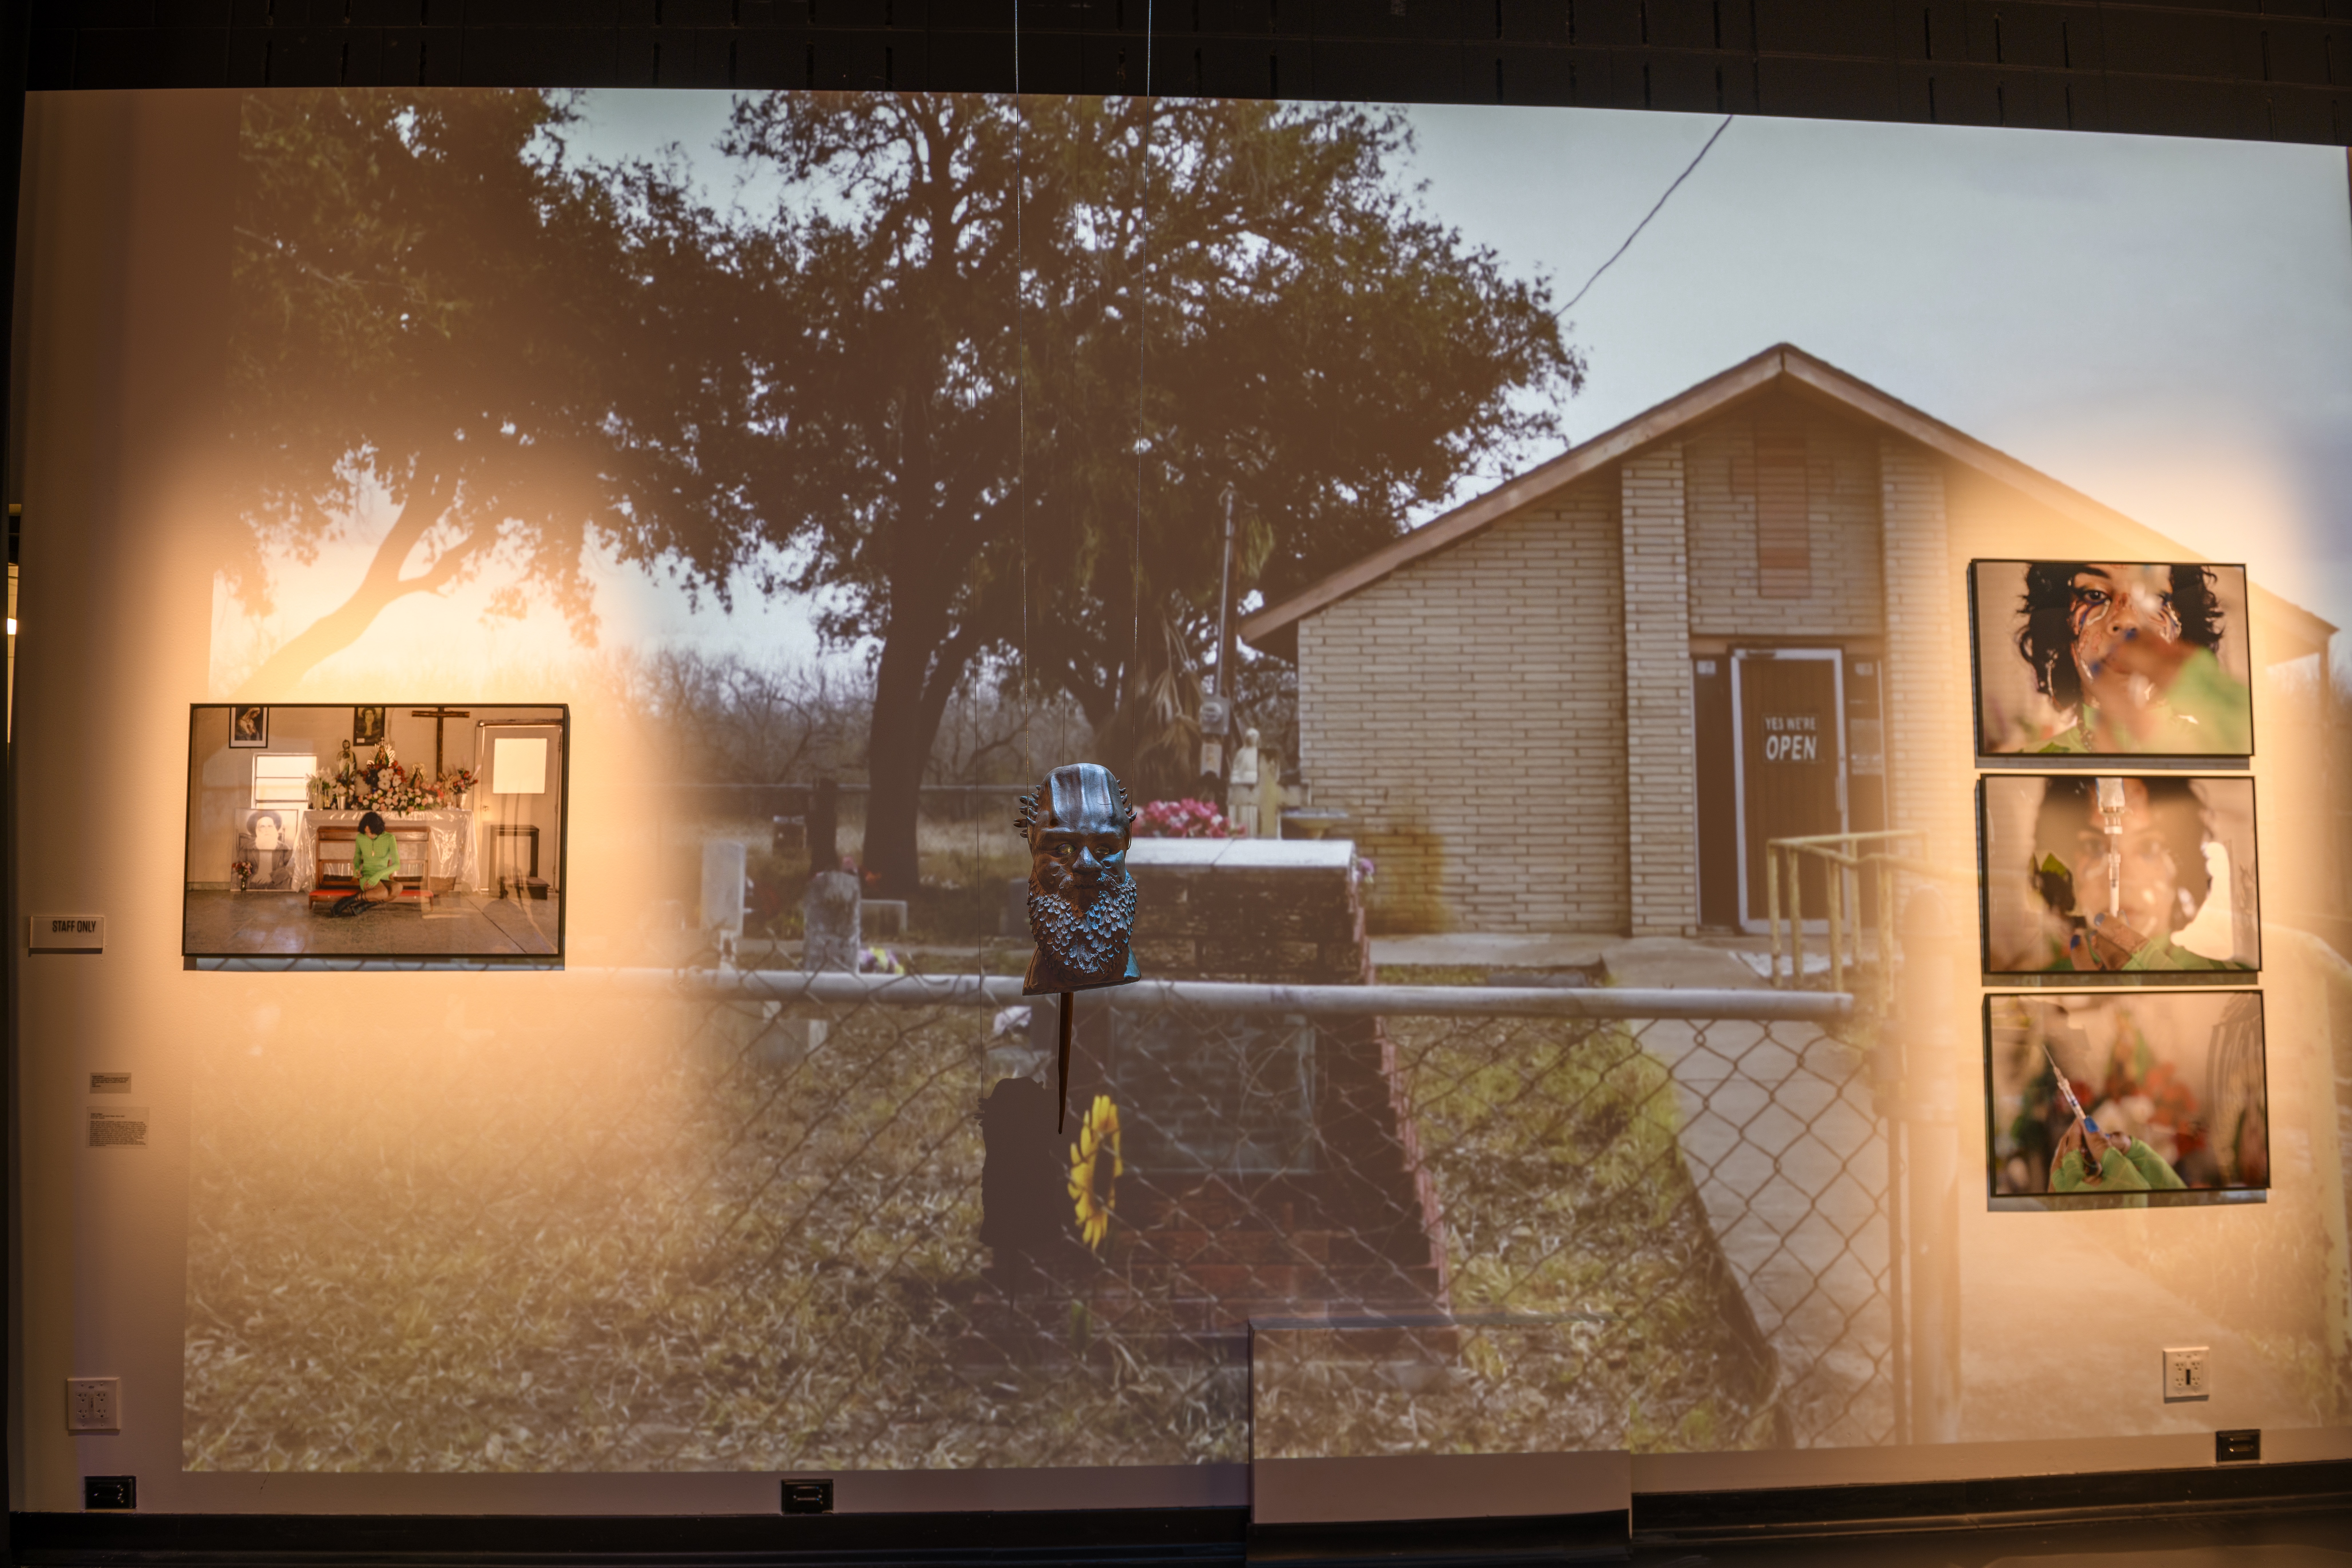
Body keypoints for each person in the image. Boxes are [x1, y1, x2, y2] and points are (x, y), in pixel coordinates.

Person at [2014, 562, 2251, 754]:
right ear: (2060, 625)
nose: (2126, 619)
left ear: (2184, 625)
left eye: (2154, 597)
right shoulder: (2030, 774)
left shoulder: (2224, 755)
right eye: (2094, 594)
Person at [2023, 777, 2246, 972]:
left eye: (2149, 846)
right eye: (2093, 846)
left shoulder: (2237, 991)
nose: (2122, 879)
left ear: (2183, 864)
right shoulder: (2037, 997)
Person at [332, 811, 399, 916]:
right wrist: (356, 871)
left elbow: (397, 865)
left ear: (378, 829)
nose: (368, 835)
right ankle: (347, 902)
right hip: (367, 876)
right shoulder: (360, 838)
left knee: (398, 888)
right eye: (366, 832)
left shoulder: (390, 838)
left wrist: (378, 876)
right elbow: (357, 857)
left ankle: (363, 906)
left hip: (382, 877)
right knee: (383, 893)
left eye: (371, 833)